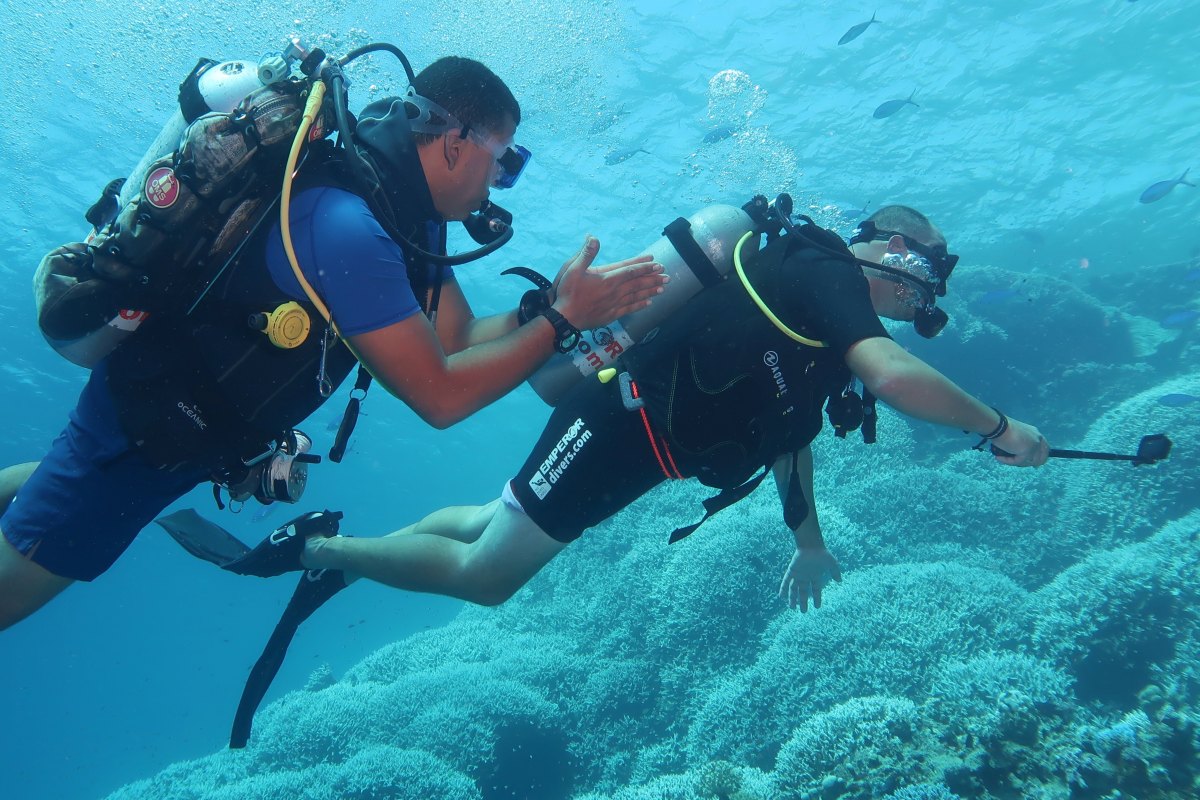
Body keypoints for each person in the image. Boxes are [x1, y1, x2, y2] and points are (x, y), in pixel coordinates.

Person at [0, 55, 666, 629]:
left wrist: (551, 305)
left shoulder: (408, 218)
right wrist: (561, 322)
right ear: (456, 142)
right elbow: (439, 396)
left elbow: (457, 337)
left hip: (195, 437)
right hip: (145, 435)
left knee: (62, 476)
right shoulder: (350, 226)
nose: (501, 182)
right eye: (506, 161)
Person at [291, 204, 1051, 613]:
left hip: (638, 447)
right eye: (927, 264)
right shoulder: (826, 271)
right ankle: (323, 554)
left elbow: (789, 437)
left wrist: (809, 543)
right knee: (488, 579)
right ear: (889, 245)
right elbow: (892, 375)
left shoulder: (825, 332)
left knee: (498, 519)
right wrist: (999, 427)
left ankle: (352, 553)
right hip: (618, 424)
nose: (928, 289)